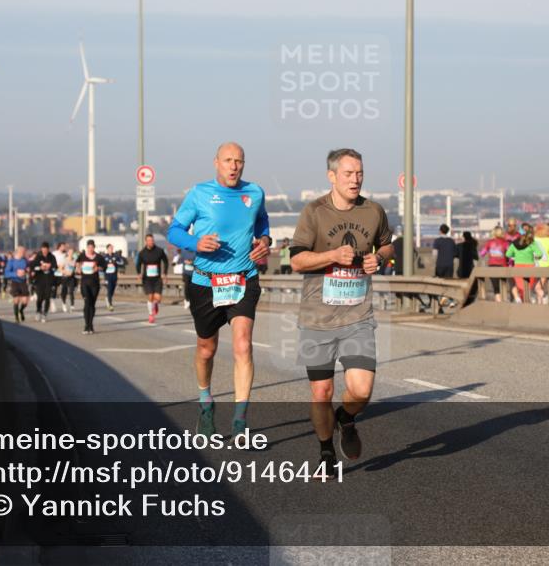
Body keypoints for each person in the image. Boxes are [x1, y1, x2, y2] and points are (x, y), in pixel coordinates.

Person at [289, 148, 394, 478]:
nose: (356, 179)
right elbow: (296, 261)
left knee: (362, 390)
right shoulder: (314, 212)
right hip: (317, 319)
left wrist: (382, 257)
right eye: (348, 173)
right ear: (332, 176)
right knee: (322, 392)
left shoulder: (374, 211)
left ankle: (346, 418)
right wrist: (332, 254)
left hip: (357, 317)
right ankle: (325, 450)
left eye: (360, 172)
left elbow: (388, 244)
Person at [167, 142, 270, 437]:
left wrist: (265, 240)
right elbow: (174, 230)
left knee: (243, 345)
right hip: (205, 283)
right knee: (206, 349)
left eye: (239, 160)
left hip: (243, 279)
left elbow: (262, 221)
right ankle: (205, 402)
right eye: (228, 160)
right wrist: (194, 243)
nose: (234, 166)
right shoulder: (200, 194)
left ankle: (240, 421)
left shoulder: (255, 192)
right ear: (216, 163)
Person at [135, 235, 169, 322]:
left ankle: (155, 304)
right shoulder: (142, 253)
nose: (151, 242)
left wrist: (164, 273)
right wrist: (139, 273)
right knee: (150, 296)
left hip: (157, 278)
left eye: (152, 240)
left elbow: (165, 261)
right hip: (147, 279)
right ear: (146, 241)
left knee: (158, 298)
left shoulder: (159, 251)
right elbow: (138, 264)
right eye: (149, 240)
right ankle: (151, 314)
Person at [76, 240, 105, 334]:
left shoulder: (99, 257)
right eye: (89, 247)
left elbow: (104, 267)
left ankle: (91, 325)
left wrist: (98, 268)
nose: (90, 249)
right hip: (84, 283)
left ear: (94, 248)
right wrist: (78, 269)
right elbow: (77, 264)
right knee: (87, 302)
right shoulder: (82, 256)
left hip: (95, 283)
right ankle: (86, 325)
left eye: (92, 247)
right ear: (86, 247)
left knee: (92, 304)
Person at [505, 230, 542, 303]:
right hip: (530, 267)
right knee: (528, 286)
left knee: (520, 286)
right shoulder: (531, 243)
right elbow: (539, 254)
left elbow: (508, 254)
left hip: (518, 267)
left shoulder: (514, 244)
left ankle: (522, 301)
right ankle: (528, 300)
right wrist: (536, 257)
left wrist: (515, 255)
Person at [479, 226, 510, 302]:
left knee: (496, 288)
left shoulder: (489, 242)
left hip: (492, 266)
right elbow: (510, 254)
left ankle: (499, 303)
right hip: (503, 266)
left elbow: (482, 253)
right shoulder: (505, 242)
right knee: (504, 284)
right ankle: (504, 301)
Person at [30, 241, 58, 322]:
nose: (44, 250)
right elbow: (33, 267)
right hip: (40, 280)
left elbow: (55, 267)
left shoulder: (52, 257)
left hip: (49, 280)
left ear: (48, 249)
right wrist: (40, 268)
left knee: (47, 297)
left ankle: (45, 313)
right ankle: (38, 311)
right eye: (43, 249)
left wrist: (50, 267)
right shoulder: (38, 257)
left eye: (46, 249)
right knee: (40, 298)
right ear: (41, 249)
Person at [3, 246, 31, 322]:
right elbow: (6, 273)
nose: (25, 253)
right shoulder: (11, 261)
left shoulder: (25, 260)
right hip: (15, 281)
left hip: (23, 282)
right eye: (23, 252)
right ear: (18, 252)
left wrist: (27, 271)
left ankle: (21, 310)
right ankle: (16, 318)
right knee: (16, 300)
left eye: (25, 252)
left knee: (25, 301)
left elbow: (28, 268)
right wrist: (16, 274)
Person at [533, 223, 549, 304]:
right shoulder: (548, 240)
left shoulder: (534, 239)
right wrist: (547, 258)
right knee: (540, 286)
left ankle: (543, 298)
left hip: (535, 265)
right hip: (544, 265)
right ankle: (540, 303)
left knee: (537, 287)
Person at [103, 243, 127, 311]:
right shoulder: (104, 257)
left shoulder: (116, 256)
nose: (111, 249)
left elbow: (122, 263)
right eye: (110, 248)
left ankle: (108, 298)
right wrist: (106, 265)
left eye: (112, 248)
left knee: (112, 291)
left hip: (114, 276)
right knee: (109, 289)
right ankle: (110, 305)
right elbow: (101, 266)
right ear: (107, 249)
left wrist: (116, 261)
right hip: (107, 276)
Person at [50, 242, 67, 312]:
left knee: (64, 289)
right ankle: (53, 303)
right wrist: (57, 266)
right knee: (54, 289)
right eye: (63, 246)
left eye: (64, 246)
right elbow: (51, 262)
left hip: (63, 274)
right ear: (59, 247)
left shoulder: (65, 254)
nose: (64, 248)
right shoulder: (54, 253)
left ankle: (64, 303)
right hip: (55, 274)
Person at [60, 248, 77, 313]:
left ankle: (72, 305)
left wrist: (74, 271)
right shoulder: (65, 260)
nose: (71, 254)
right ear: (68, 253)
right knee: (64, 291)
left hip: (72, 278)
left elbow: (76, 269)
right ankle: (64, 303)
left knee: (71, 291)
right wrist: (65, 272)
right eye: (70, 252)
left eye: (72, 252)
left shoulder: (74, 261)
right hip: (65, 277)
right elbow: (60, 269)